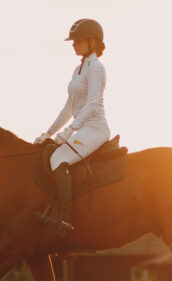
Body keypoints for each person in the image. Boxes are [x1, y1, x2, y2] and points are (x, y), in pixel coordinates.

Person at [34, 18, 111, 238]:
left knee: (58, 159)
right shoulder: (78, 69)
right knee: (50, 152)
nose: (74, 44)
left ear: (92, 41)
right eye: (73, 41)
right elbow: (69, 106)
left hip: (95, 129)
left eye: (78, 40)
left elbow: (93, 103)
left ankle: (65, 218)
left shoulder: (96, 68)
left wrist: (70, 130)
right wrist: (48, 132)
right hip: (83, 128)